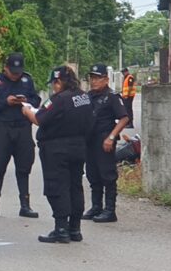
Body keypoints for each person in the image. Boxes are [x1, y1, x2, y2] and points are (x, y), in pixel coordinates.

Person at [22, 66, 94, 243]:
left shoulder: (59, 100)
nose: (53, 87)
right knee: (75, 186)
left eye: (54, 83)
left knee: (58, 187)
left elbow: (39, 119)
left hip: (56, 149)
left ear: (58, 81)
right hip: (78, 146)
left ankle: (61, 229)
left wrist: (27, 111)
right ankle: (75, 229)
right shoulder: (84, 97)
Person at [0, 53, 42, 218]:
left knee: (24, 168)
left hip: (23, 128)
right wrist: (5, 102)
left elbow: (36, 100)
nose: (16, 75)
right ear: (5, 68)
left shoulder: (27, 80)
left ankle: (25, 205)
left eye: (19, 72)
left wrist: (25, 101)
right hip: (3, 128)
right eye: (13, 72)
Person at [82, 64, 130, 223]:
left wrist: (111, 137)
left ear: (106, 79)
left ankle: (110, 210)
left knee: (107, 175)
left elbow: (124, 118)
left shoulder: (112, 97)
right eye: (92, 78)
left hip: (105, 140)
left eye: (97, 78)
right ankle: (96, 207)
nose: (94, 81)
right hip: (90, 140)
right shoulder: (88, 96)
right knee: (92, 174)